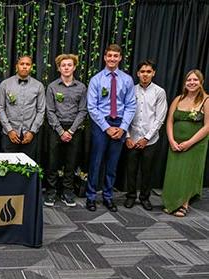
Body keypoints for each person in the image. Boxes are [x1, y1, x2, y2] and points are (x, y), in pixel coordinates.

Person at [85, 44, 136, 212]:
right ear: (105, 57)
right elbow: (92, 107)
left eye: (116, 56)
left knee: (113, 164)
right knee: (96, 162)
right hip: (101, 124)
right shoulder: (96, 79)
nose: (112, 58)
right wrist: (107, 127)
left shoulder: (127, 80)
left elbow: (130, 106)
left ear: (120, 58)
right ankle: (91, 197)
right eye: (109, 56)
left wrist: (122, 128)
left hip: (120, 123)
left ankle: (108, 197)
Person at [162, 70, 209, 217]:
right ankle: (172, 200)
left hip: (195, 144)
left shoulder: (206, 100)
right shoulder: (178, 99)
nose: (192, 83)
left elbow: (208, 126)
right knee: (175, 172)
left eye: (195, 80)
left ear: (201, 82)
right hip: (175, 143)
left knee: (188, 172)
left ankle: (184, 203)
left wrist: (189, 142)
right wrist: (171, 140)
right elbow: (169, 120)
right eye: (189, 80)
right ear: (185, 82)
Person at [44, 54, 87, 207]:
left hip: (74, 129)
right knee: (53, 162)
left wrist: (71, 131)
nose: (67, 68)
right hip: (56, 128)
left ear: (74, 67)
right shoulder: (52, 87)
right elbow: (49, 111)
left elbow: (82, 111)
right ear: (59, 68)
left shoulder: (81, 87)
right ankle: (51, 191)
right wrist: (61, 131)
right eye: (64, 65)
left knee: (71, 162)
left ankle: (67, 192)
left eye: (69, 65)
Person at [124, 60, 167, 210]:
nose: (145, 75)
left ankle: (144, 197)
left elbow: (160, 118)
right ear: (137, 73)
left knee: (147, 171)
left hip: (150, 140)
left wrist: (146, 138)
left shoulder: (159, 92)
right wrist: (127, 136)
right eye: (142, 71)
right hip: (132, 138)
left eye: (148, 72)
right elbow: (125, 115)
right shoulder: (131, 90)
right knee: (131, 171)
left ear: (153, 73)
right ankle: (130, 196)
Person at [0, 55, 45, 160]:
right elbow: (0, 108)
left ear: (31, 67)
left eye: (28, 64)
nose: (24, 67)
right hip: (9, 134)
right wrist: (9, 130)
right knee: (8, 167)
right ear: (16, 66)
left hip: (30, 135)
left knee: (28, 168)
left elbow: (41, 110)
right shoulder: (5, 84)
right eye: (22, 64)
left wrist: (32, 131)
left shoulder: (38, 86)